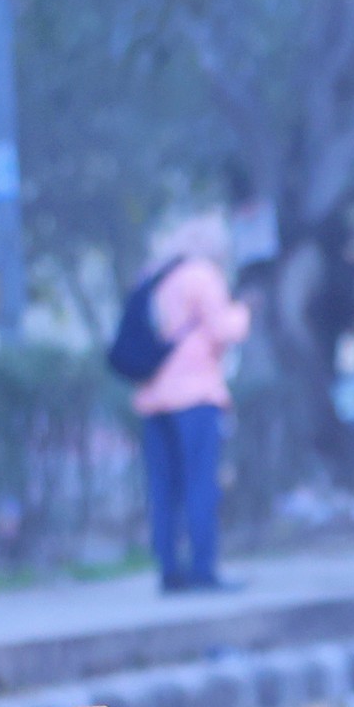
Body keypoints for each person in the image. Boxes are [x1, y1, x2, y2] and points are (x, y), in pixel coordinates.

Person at [131, 214, 251, 593]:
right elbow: (224, 329)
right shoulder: (202, 275)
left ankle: (169, 569)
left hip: (153, 397)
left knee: (163, 487)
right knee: (200, 483)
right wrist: (243, 311)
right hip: (196, 394)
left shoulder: (153, 277)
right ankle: (203, 568)